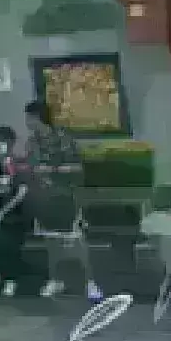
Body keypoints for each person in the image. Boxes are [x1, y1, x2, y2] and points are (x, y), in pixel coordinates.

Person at [25, 101, 102, 302]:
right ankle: (56, 279)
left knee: (76, 241)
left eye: (29, 118)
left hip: (66, 195)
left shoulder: (63, 138)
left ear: (38, 118)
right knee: (51, 242)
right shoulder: (31, 142)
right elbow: (31, 168)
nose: (27, 122)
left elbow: (77, 168)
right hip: (44, 197)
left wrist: (55, 170)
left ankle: (90, 282)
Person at [0, 126, 29, 297]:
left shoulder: (17, 165)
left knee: (12, 247)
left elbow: (22, 192)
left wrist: (4, 211)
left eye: (1, 143)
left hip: (16, 214)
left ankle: (11, 281)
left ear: (10, 144)